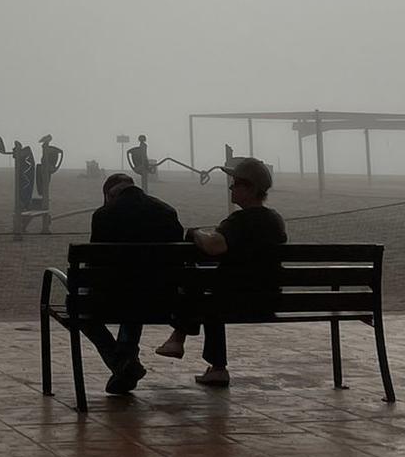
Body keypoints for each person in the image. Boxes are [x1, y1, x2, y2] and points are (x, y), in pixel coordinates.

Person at [156, 157, 287, 387]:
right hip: (270, 297)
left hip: (239, 300)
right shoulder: (275, 219)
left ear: (251, 189)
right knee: (207, 284)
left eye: (236, 183)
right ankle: (187, 346)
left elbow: (214, 246)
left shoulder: (240, 220)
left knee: (198, 281)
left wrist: (195, 233)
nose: (230, 187)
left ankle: (181, 340)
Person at [83, 171, 183, 396]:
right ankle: (125, 362)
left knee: (86, 309)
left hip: (117, 297)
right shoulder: (166, 212)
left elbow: (95, 265)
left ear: (109, 195)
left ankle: (122, 364)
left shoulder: (104, 215)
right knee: (136, 293)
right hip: (164, 298)